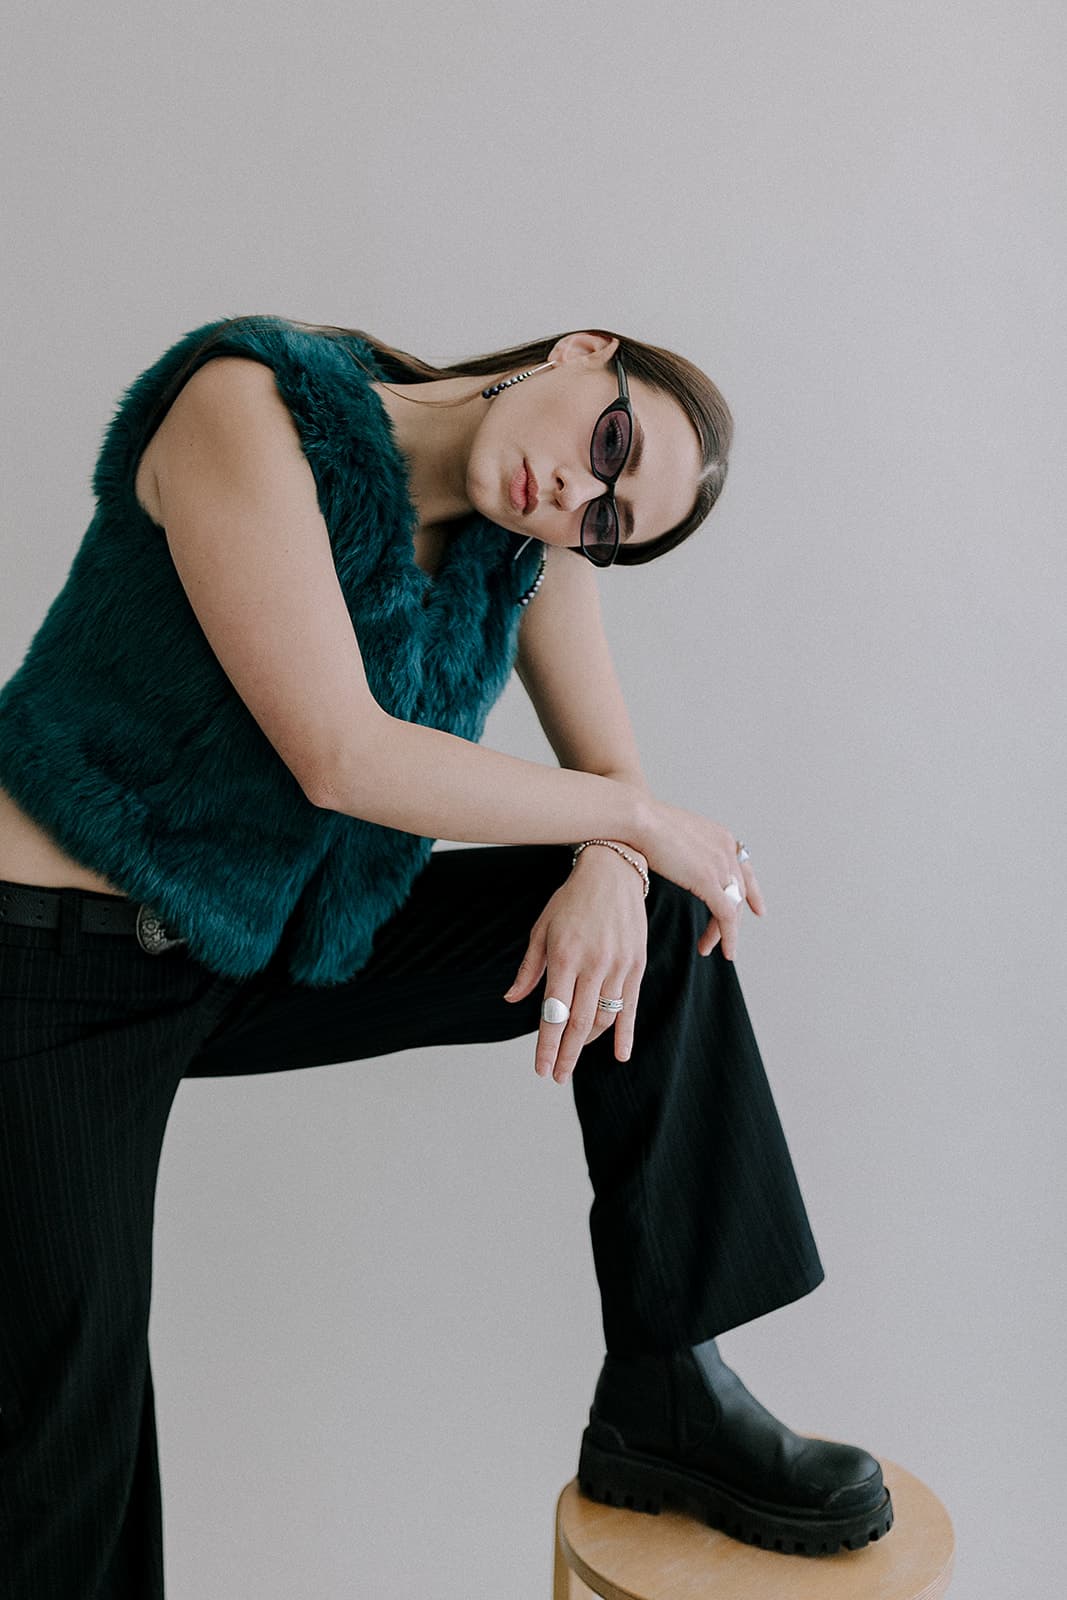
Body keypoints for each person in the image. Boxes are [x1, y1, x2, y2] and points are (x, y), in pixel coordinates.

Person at [0, 311, 893, 1594]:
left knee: (658, 924)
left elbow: (605, 771)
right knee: (63, 1437)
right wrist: (634, 825)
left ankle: (666, 1389)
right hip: (52, 963)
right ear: (585, 351)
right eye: (608, 442)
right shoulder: (245, 405)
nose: (575, 494)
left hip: (261, 948)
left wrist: (616, 865)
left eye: (605, 515)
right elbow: (341, 754)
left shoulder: (532, 542)